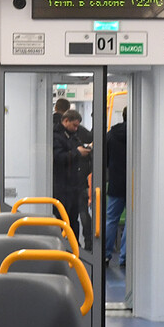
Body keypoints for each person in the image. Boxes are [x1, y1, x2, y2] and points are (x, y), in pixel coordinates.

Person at [52, 103, 91, 243]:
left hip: (74, 186)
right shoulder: (56, 136)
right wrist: (77, 153)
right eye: (74, 125)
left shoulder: (72, 136)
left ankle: (75, 246)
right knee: (63, 219)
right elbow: (58, 157)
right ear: (66, 120)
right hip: (61, 186)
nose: (76, 129)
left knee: (74, 219)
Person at [103, 110, 127, 267]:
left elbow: (104, 160)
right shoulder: (139, 134)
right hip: (135, 185)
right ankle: (126, 257)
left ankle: (105, 255)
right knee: (132, 222)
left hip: (115, 183)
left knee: (111, 220)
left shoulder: (111, 135)